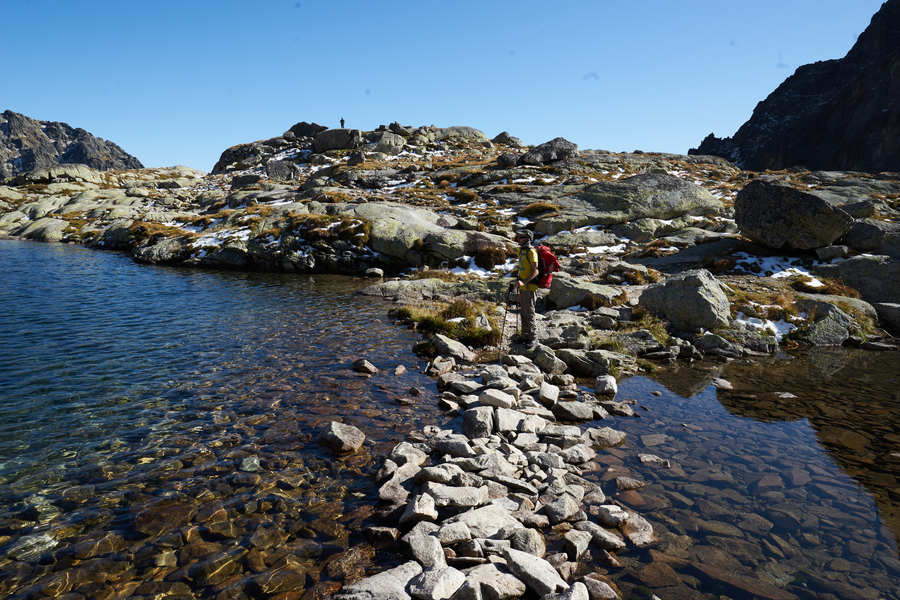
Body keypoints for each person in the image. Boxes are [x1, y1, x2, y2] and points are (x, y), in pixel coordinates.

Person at [512, 229, 539, 344]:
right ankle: (524, 335)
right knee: (523, 312)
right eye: (518, 236)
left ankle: (533, 337)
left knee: (530, 313)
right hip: (522, 287)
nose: (518, 239)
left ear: (527, 238)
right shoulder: (522, 251)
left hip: (530, 288)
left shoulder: (531, 252)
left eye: (521, 237)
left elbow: (536, 271)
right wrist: (518, 281)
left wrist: (524, 282)